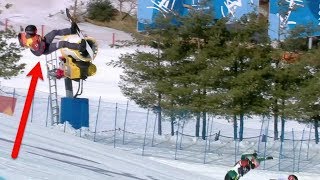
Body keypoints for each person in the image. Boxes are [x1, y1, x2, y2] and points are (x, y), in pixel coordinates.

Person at [18, 23, 87, 56]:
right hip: (45, 49)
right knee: (62, 43)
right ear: (32, 32)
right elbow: (39, 51)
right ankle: (80, 48)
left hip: (43, 41)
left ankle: (72, 30)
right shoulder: (33, 42)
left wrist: (41, 39)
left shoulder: (24, 35)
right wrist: (40, 41)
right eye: (35, 31)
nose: (36, 31)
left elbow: (21, 38)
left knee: (54, 32)